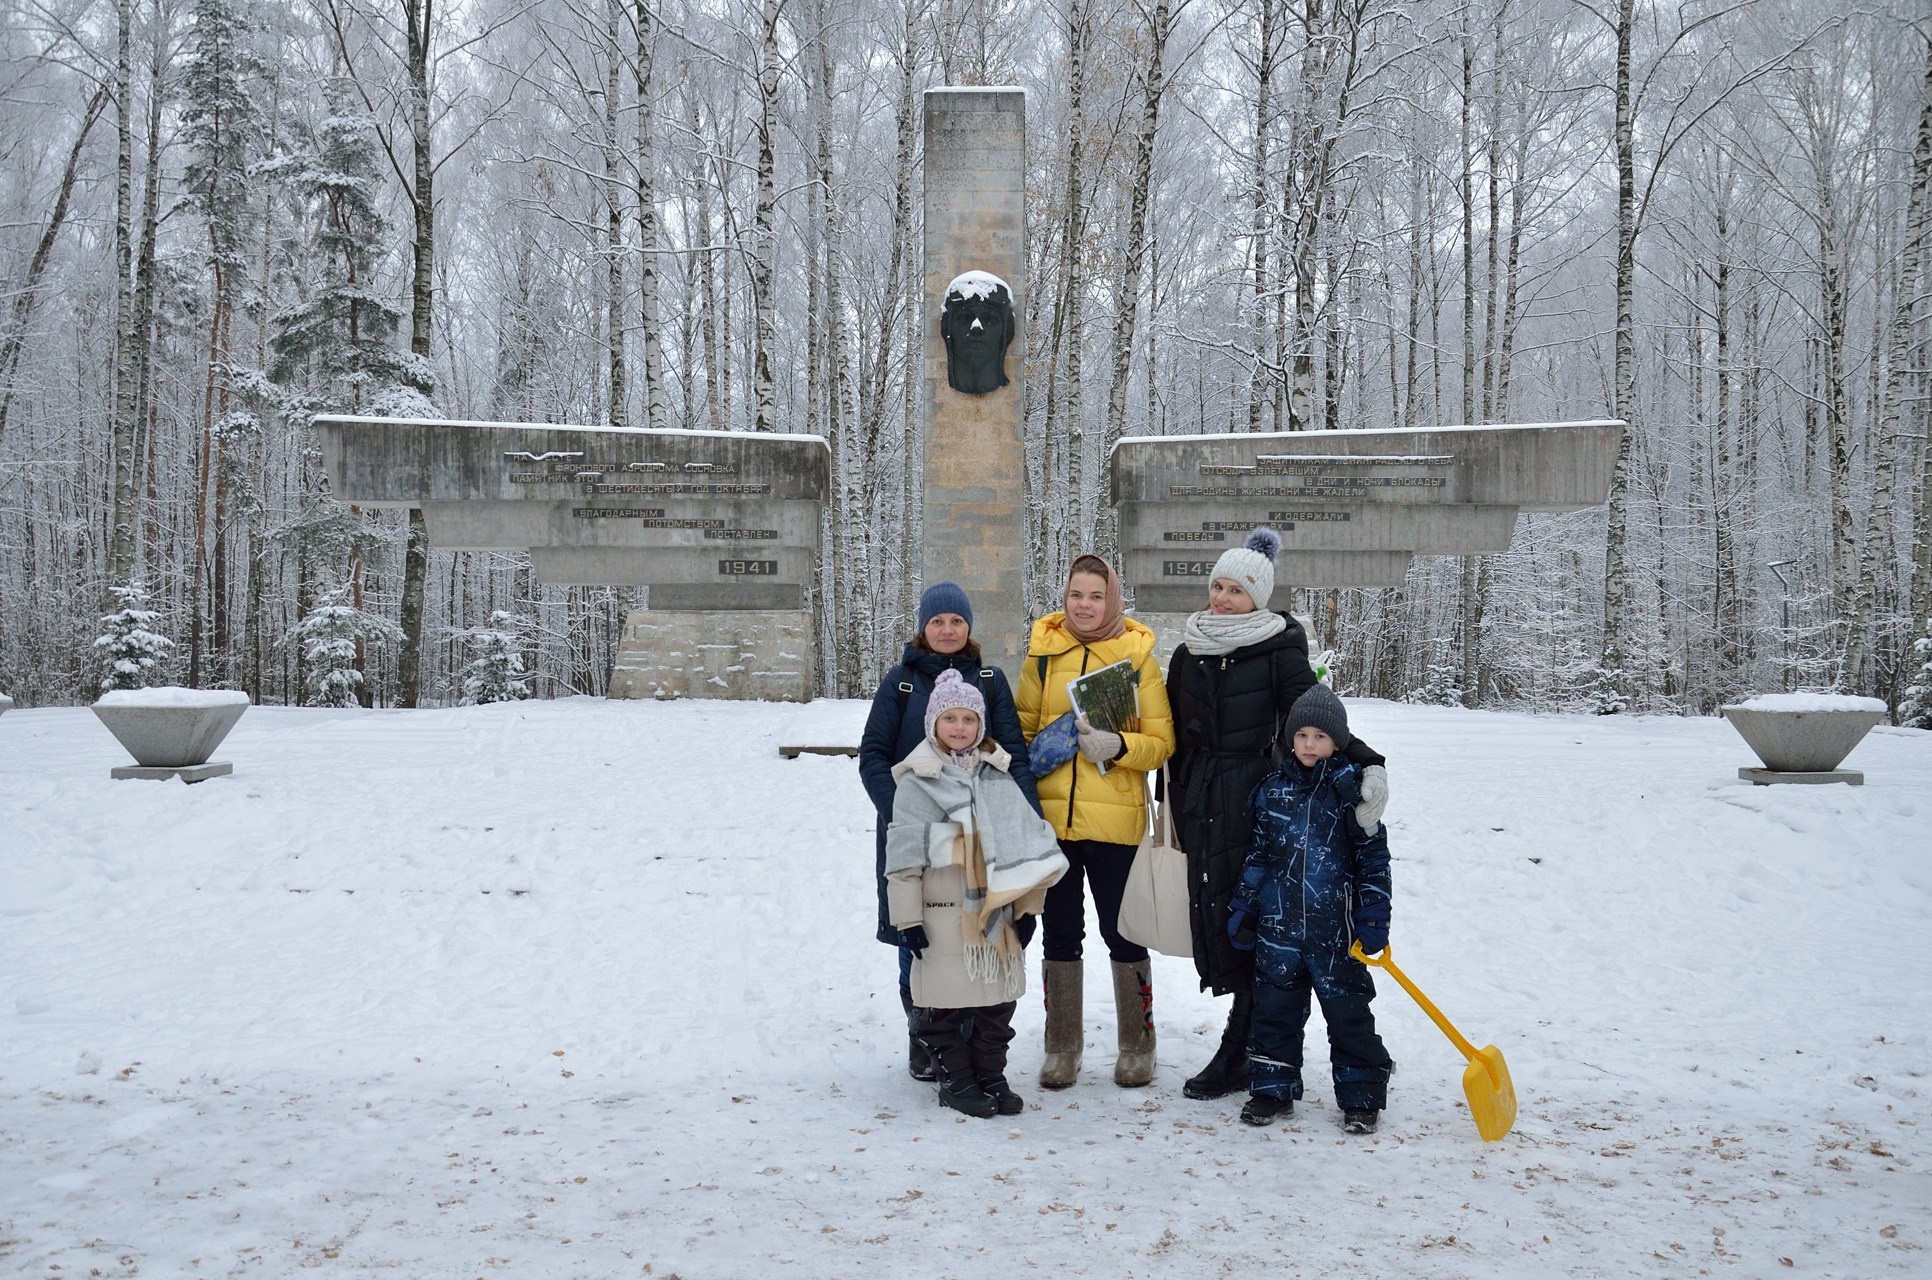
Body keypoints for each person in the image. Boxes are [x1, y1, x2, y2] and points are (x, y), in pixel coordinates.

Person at [1164, 528, 1390, 1101]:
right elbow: (1171, 733)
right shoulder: (1188, 650)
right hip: (1200, 799)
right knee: (1221, 921)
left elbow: (1317, 719)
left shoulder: (1279, 649)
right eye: (1217, 585)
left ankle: (1243, 1051)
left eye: (1235, 590)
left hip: (1254, 800)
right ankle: (1253, 1048)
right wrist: (1172, 801)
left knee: (1255, 930)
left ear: (1258, 596)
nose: (1221, 598)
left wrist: (1369, 764)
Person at [859, 583, 1037, 1083]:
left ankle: (971, 1041)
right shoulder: (900, 682)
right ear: (923, 626)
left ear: (968, 627)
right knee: (915, 931)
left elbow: (1012, 755)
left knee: (977, 929)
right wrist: (908, 813)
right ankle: (922, 1034)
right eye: (937, 621)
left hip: (981, 836)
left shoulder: (990, 679)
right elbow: (873, 755)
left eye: (956, 621)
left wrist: (1027, 819)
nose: (947, 630)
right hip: (914, 835)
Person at [1017, 554, 1175, 1088]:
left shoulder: (1138, 658)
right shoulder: (1041, 654)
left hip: (1115, 825)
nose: (1084, 606)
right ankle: (1062, 1045)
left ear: (1113, 600)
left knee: (1123, 932)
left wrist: (1120, 744)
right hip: (1054, 822)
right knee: (1060, 933)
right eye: (1076, 595)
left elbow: (1162, 744)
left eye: (1095, 596)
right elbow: (1018, 731)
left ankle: (1138, 1043)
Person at [886, 670, 1068, 1117]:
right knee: (943, 1005)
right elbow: (903, 860)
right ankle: (956, 1078)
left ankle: (991, 1074)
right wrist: (908, 922)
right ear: (934, 724)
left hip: (995, 910)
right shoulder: (917, 780)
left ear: (981, 726)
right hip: (940, 912)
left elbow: (1024, 846)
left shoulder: (997, 774)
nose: (960, 728)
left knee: (996, 1002)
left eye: (969, 719)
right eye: (951, 718)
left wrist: (1028, 910)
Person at [1227, 684, 1393, 1132]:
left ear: (1337, 742)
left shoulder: (1353, 796)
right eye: (1301, 736)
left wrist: (1374, 916)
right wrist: (1244, 902)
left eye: (1320, 737)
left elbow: (1373, 859)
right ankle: (1271, 1089)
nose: (1309, 745)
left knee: (1349, 1014)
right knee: (1274, 1011)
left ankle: (1361, 1095)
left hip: (1336, 931)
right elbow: (1259, 854)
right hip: (1278, 930)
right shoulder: (1272, 791)